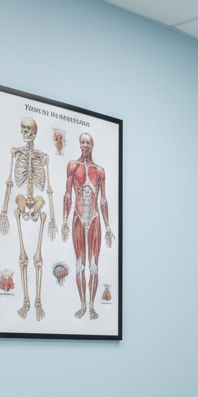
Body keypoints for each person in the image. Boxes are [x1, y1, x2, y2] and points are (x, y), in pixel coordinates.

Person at [61, 133, 114, 320]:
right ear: (79, 144)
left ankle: (92, 307)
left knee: (94, 266)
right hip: (77, 218)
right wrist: (64, 221)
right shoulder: (72, 167)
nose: (85, 145)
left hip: (95, 221)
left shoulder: (99, 171)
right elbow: (67, 195)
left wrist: (107, 227)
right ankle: (83, 305)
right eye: (82, 142)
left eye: (88, 142)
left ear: (92, 145)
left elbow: (103, 200)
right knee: (79, 265)